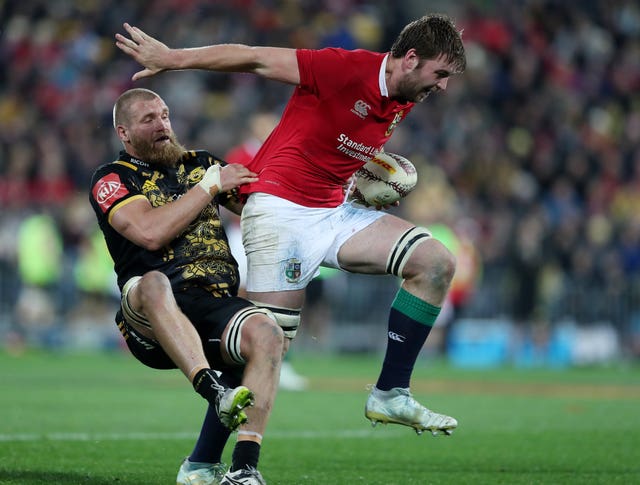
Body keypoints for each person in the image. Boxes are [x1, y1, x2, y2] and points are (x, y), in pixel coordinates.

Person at [116, 13, 466, 437]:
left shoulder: (405, 95)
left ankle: (391, 391)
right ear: (410, 58)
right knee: (262, 350)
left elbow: (333, 146)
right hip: (280, 210)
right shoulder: (344, 67)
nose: (443, 86)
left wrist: (357, 181)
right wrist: (172, 58)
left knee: (434, 262)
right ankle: (205, 462)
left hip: (332, 211)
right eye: (440, 73)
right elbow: (253, 58)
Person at [89, 88, 281, 484]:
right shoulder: (113, 178)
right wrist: (209, 188)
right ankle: (213, 389)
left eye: (164, 114)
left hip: (212, 302)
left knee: (267, 334)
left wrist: (344, 195)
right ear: (124, 133)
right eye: (148, 119)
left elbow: (267, 204)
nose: (162, 124)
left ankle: (241, 468)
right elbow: (148, 232)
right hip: (150, 314)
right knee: (153, 282)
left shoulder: (201, 164)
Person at [225, 110, 309, 391]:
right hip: (244, 232)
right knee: (242, 292)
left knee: (285, 296)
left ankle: (280, 362)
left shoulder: (286, 151)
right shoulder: (240, 153)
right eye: (263, 123)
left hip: (283, 234)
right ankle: (238, 355)